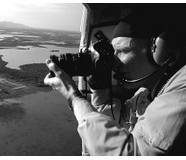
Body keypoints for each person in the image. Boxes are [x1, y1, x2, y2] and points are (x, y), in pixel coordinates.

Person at [44, 7, 186, 155]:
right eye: (114, 53)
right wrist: (100, 88)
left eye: (123, 51)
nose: (114, 62)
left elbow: (130, 153)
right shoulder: (143, 95)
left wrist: (73, 96)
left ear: (163, 51)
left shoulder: (183, 86)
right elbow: (114, 127)